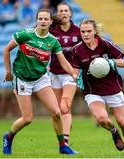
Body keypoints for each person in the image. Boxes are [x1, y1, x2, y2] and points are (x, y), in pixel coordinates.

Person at [2, 8, 78, 155]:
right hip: (22, 79)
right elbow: (6, 49)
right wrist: (8, 72)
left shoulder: (52, 42)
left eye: (46, 19)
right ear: (37, 20)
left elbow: (64, 63)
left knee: (57, 112)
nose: (43, 21)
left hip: (40, 78)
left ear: (50, 22)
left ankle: (63, 146)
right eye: (40, 19)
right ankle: (8, 137)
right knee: (27, 119)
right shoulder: (25, 34)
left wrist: (74, 75)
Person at [72, 19, 124, 156]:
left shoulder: (105, 44)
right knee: (101, 118)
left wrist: (110, 62)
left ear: (95, 32)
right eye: (82, 32)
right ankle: (114, 131)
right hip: (93, 91)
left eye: (89, 31)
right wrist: (76, 77)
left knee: (123, 122)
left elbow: (123, 63)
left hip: (112, 89)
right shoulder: (77, 50)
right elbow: (75, 71)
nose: (85, 34)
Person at [48, 2, 81, 146]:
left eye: (66, 10)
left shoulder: (79, 31)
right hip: (54, 74)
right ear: (57, 14)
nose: (63, 13)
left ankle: (65, 142)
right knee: (57, 111)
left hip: (70, 73)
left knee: (65, 106)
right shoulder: (51, 30)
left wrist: (79, 70)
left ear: (71, 13)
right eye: (60, 11)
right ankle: (62, 135)